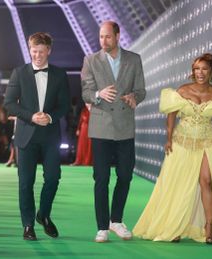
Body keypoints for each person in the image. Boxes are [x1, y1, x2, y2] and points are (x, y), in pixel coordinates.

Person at [133, 53, 212, 244]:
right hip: (182, 142)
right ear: (192, 71)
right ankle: (175, 227)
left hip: (207, 142)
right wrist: (168, 139)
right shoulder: (183, 91)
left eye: (204, 69)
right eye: (196, 69)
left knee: (207, 181)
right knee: (180, 184)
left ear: (211, 71)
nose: (200, 73)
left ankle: (208, 227)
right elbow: (171, 116)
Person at [81, 21, 146, 242]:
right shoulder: (91, 60)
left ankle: (116, 221)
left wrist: (134, 97)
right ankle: (102, 227)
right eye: (101, 37)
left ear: (118, 37)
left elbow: (141, 90)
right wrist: (98, 94)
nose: (103, 41)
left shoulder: (134, 59)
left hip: (125, 127)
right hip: (100, 127)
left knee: (125, 175)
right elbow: (86, 92)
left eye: (108, 37)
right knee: (101, 178)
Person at [4, 32, 70, 241]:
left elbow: (65, 105)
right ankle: (28, 225)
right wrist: (31, 116)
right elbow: (9, 103)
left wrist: (49, 117)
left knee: (52, 178)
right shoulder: (19, 73)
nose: (38, 55)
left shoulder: (60, 74)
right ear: (30, 49)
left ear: (49, 50)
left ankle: (44, 214)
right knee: (25, 182)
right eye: (34, 51)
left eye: (41, 51)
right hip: (26, 135)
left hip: (50, 135)